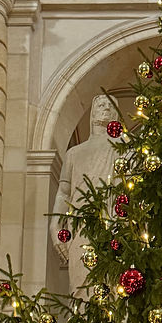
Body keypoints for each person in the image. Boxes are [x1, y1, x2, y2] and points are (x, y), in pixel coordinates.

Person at [52, 95, 119, 296]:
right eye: (100, 104)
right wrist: (55, 224)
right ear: (92, 113)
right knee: (81, 289)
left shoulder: (126, 146)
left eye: (110, 105)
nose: (105, 108)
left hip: (117, 224)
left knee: (118, 291)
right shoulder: (75, 153)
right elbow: (64, 192)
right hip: (82, 227)